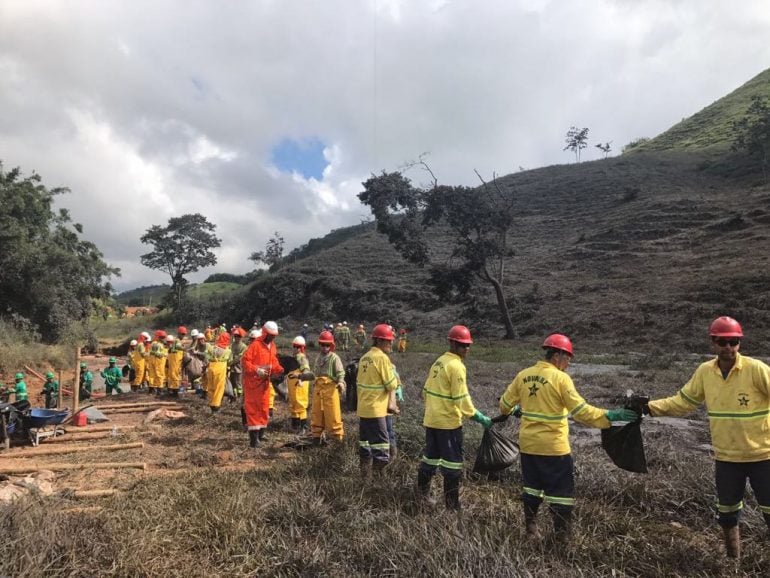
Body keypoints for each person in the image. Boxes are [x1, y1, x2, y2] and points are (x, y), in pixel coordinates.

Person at [646, 316, 770, 559]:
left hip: (764, 457)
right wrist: (648, 407)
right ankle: (733, 562)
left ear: (740, 343)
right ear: (712, 343)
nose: (728, 348)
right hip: (726, 459)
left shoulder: (757, 370)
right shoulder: (705, 372)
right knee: (727, 515)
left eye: (733, 342)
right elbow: (682, 403)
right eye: (722, 342)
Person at [497, 333, 637, 541]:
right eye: (568, 358)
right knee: (561, 494)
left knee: (531, 488)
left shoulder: (523, 375)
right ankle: (561, 538)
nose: (569, 363)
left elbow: (504, 405)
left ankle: (531, 530)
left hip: (528, 446)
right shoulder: (561, 379)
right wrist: (611, 417)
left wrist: (516, 409)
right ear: (557, 355)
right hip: (554, 448)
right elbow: (582, 412)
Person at [417, 325, 493, 511]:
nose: (465, 349)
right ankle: (452, 505)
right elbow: (462, 400)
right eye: (461, 345)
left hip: (432, 421)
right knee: (452, 465)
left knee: (430, 459)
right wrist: (479, 417)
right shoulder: (457, 366)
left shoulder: (439, 361)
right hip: (448, 424)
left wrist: (435, 409)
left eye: (467, 345)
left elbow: (425, 391)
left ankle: (421, 496)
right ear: (452, 343)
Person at [356, 324, 400, 478]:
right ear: (381, 341)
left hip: (364, 410)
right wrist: (393, 402)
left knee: (366, 448)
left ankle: (364, 482)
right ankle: (378, 486)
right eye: (389, 341)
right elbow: (391, 384)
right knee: (382, 452)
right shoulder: (382, 358)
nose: (391, 344)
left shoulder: (364, 357)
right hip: (376, 411)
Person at [241, 321, 284, 447]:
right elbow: (245, 361)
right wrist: (256, 369)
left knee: (264, 408)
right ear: (265, 333)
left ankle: (260, 436)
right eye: (270, 335)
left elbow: (273, 362)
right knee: (253, 410)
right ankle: (254, 441)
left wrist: (279, 370)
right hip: (253, 383)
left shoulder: (272, 346)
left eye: (274, 335)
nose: (272, 337)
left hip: (265, 383)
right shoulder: (255, 345)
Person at [309, 330, 346, 443]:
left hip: (330, 389)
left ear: (331, 345)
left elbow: (340, 372)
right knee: (317, 414)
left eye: (327, 345)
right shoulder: (318, 357)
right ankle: (316, 437)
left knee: (333, 415)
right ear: (319, 345)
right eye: (322, 344)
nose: (324, 347)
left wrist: (340, 382)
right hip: (318, 389)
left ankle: (337, 440)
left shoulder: (335, 358)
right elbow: (315, 373)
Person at [286, 336, 311, 433]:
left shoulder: (302, 357)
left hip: (300, 384)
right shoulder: (294, 358)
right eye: (295, 346)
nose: (296, 349)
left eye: (298, 347)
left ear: (302, 348)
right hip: (293, 385)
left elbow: (306, 369)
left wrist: (302, 379)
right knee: (293, 403)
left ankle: (303, 426)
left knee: (300, 404)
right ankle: (295, 425)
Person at [206, 332, 231, 412]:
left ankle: (211, 404)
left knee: (211, 386)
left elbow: (207, 356)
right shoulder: (227, 350)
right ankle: (216, 406)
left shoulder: (213, 348)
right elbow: (230, 361)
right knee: (219, 387)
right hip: (220, 368)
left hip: (211, 367)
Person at [229, 328, 248, 400]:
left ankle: (239, 396)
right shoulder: (232, 345)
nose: (236, 338)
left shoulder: (244, 346)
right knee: (232, 381)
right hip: (232, 367)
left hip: (238, 367)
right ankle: (233, 396)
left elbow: (240, 357)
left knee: (238, 383)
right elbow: (229, 353)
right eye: (235, 336)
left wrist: (231, 362)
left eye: (238, 336)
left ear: (241, 337)